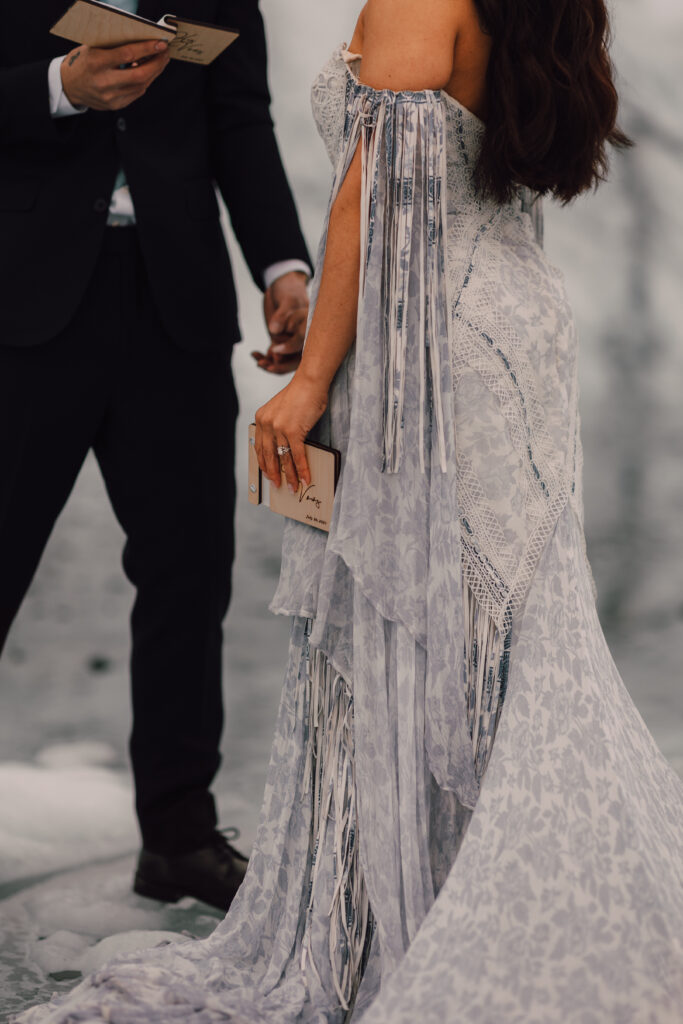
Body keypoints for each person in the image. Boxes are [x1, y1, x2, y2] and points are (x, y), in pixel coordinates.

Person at [14, 0, 683, 1021]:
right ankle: (455, 868)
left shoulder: (405, 5)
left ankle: (311, 870)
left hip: (368, 334)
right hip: (488, 323)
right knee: (498, 626)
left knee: (296, 594)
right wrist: (60, 89)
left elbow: (349, 182)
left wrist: (303, 337)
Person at [0, 0, 311, 913]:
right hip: (22, 310)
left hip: (176, 309)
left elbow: (241, 127)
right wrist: (61, 87)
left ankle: (177, 837)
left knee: (188, 577)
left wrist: (281, 267)